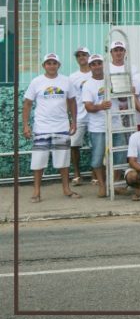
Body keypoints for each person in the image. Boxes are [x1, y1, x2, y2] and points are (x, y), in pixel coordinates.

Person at [23, 53, 80, 202]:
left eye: (54, 63)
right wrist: (25, 125)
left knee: (63, 161)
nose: (51, 65)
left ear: (58, 65)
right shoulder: (36, 82)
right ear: (44, 66)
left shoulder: (66, 81)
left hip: (61, 126)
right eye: (48, 63)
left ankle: (66, 189)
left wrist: (74, 122)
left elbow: (72, 102)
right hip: (41, 127)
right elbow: (27, 103)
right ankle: (36, 192)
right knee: (38, 161)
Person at [82, 54, 114, 198]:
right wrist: (101, 106)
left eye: (99, 63)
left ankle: (114, 184)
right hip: (98, 127)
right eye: (93, 64)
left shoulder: (112, 80)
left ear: (103, 64)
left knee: (119, 157)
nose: (97, 66)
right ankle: (102, 185)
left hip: (116, 124)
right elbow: (88, 107)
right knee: (97, 159)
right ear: (90, 67)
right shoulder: (88, 84)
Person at [68, 47, 92, 186]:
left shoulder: (96, 72)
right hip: (79, 116)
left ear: (89, 56)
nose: (82, 57)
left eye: (84, 55)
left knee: (97, 146)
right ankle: (77, 174)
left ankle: (96, 174)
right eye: (79, 55)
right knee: (74, 145)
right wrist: (70, 118)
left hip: (96, 115)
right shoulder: (73, 77)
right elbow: (70, 99)